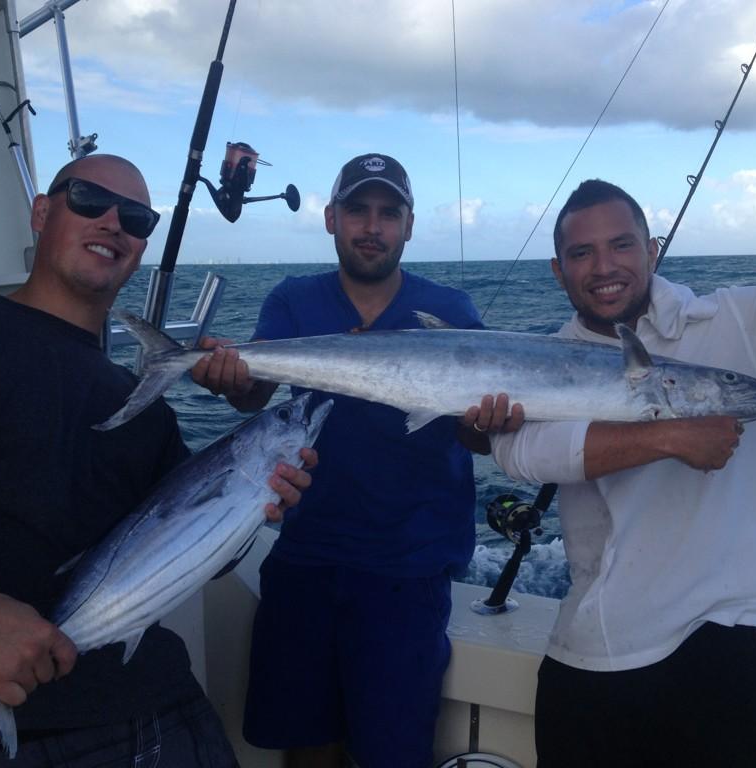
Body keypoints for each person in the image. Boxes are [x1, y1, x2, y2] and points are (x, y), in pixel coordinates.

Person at [0, 154, 316, 767]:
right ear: (42, 212)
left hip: (167, 712)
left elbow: (186, 554)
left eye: (135, 217)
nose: (112, 222)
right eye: (86, 200)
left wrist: (253, 511)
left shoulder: (144, 407)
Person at [489, 121, 756, 767]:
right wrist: (673, 436)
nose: (605, 266)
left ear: (653, 248)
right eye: (582, 254)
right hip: (589, 653)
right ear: (558, 270)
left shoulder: (737, 321)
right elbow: (521, 454)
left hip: (724, 653)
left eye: (621, 245)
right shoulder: (542, 358)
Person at [192, 153, 523, 768]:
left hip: (410, 567)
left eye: (388, 213)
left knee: (392, 753)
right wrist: (228, 374)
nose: (372, 226)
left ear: (408, 225)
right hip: (305, 558)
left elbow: (477, 440)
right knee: (307, 746)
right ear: (330, 218)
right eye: (357, 210)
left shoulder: (450, 310)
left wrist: (490, 425)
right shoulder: (294, 299)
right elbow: (254, 392)